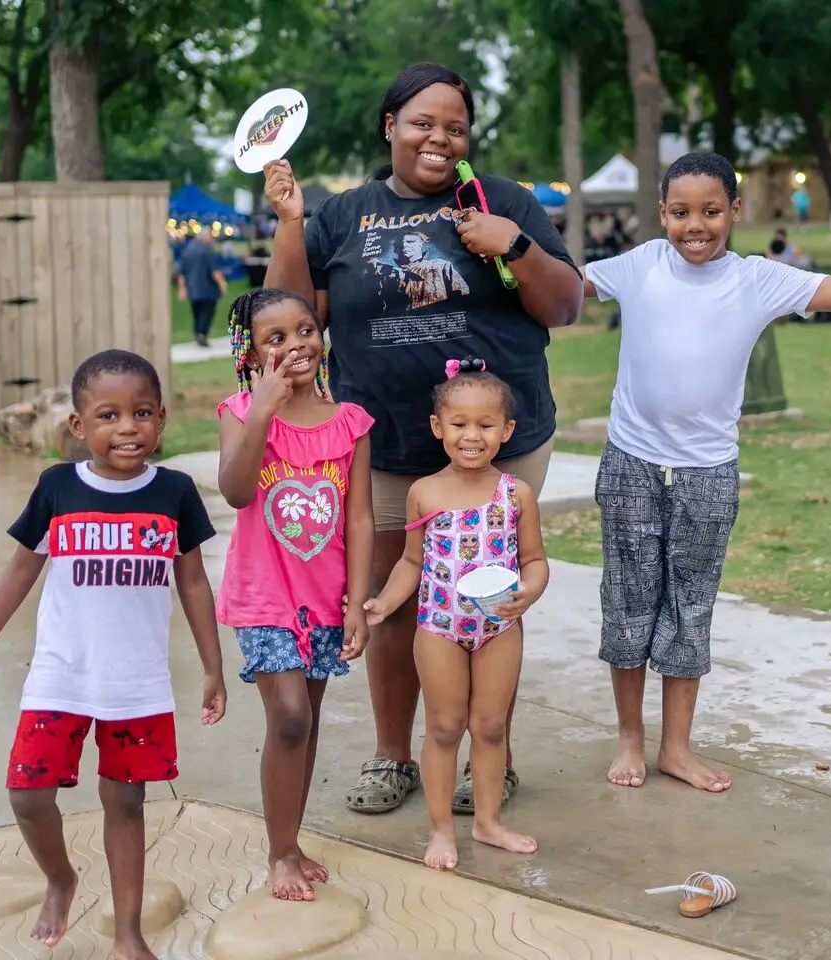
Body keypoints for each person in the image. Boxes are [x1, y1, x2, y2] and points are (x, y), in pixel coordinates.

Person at [582, 151, 831, 794]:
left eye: (712, 211)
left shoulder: (757, 280)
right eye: (682, 212)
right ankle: (630, 739)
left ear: (735, 212)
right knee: (629, 607)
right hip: (632, 467)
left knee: (690, 610)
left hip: (707, 477)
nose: (697, 225)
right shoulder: (639, 266)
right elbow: (555, 285)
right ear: (661, 214)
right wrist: (506, 247)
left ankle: (677, 747)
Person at [262, 61, 583, 817]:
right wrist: (288, 224)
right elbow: (291, 312)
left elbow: (565, 305)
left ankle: (487, 757)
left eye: (455, 127)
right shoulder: (344, 214)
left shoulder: (503, 201)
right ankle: (392, 756)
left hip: (497, 441)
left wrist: (514, 245)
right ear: (390, 127)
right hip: (386, 443)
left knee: (486, 597)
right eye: (422, 123)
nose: (439, 138)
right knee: (391, 601)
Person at [0, 349, 226, 958]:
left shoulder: (176, 492)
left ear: (161, 420)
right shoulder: (58, 486)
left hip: (138, 682)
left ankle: (127, 931)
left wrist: (212, 667)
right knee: (27, 794)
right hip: (61, 673)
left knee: (125, 802)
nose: (127, 427)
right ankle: (61, 878)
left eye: (142, 413)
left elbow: (192, 583)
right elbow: (20, 570)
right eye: (109, 415)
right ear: (79, 427)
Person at [216, 288, 375, 900]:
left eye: (305, 330)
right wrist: (262, 410)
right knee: (287, 716)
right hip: (263, 594)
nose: (295, 345)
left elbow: (359, 519)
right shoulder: (238, 412)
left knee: (304, 722)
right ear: (251, 354)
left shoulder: (350, 423)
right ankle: (279, 852)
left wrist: (357, 600)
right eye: (274, 338)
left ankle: (292, 838)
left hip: (325, 597)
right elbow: (233, 489)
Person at [365, 357, 549, 870]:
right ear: (438, 428)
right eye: (460, 424)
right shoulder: (423, 491)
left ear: (507, 430)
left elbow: (534, 560)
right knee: (444, 726)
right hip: (439, 628)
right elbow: (410, 562)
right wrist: (384, 602)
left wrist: (528, 593)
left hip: (500, 626)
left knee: (490, 727)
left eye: (487, 425)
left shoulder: (517, 495)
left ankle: (489, 823)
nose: (473, 436)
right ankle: (441, 829)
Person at [176, 231, 227, 347]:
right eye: (210, 237)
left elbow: (182, 273)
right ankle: (202, 333)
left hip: (193, 288)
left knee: (196, 312)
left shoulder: (187, 251)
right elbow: (215, 271)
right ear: (204, 238)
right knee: (207, 312)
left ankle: (197, 332)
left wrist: (182, 289)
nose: (211, 240)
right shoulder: (207, 251)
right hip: (207, 288)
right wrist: (222, 284)